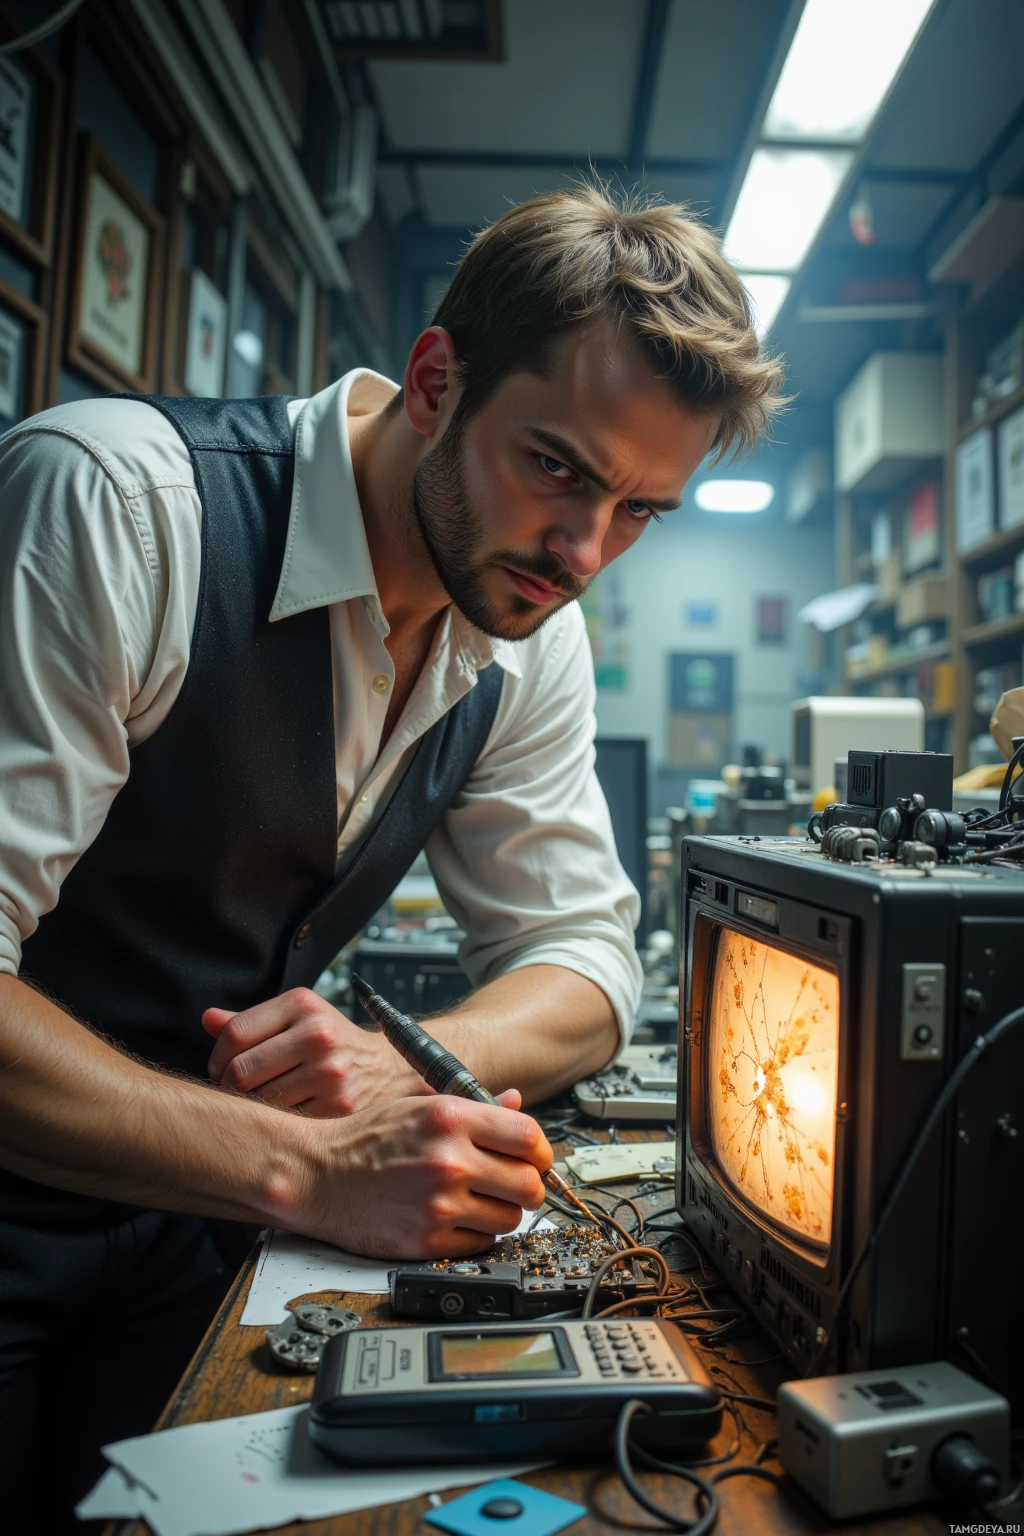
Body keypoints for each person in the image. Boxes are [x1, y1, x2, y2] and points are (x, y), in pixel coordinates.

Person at [0, 183, 783, 1526]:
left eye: (643, 508)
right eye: (559, 469)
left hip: (199, 1230)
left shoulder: (524, 625)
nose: (585, 551)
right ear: (434, 380)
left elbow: (589, 955)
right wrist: (309, 1169)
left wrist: (396, 1063)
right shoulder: (120, 504)